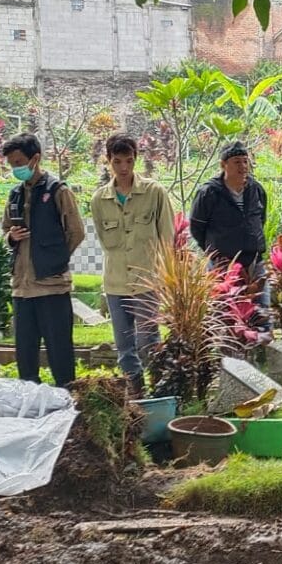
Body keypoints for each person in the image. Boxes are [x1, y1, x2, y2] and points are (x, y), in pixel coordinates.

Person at [90, 133, 174, 390]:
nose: (124, 168)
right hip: (116, 284)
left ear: (136, 159)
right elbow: (106, 242)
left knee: (148, 342)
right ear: (108, 161)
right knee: (125, 347)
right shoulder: (99, 200)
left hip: (147, 282)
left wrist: (167, 279)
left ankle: (159, 389)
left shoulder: (155, 192)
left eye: (128, 161)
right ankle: (136, 395)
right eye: (117, 161)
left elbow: (167, 239)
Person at [2, 133, 86, 388]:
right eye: (11, 164)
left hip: (51, 286)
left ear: (35, 159)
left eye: (19, 162)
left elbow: (76, 232)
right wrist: (11, 237)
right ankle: (30, 406)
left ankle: (67, 402)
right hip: (22, 289)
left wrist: (55, 259)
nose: (15, 168)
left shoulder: (58, 191)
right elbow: (5, 229)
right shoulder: (15, 194)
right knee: (25, 354)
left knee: (59, 352)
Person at [190, 140, 271, 327]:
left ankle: (260, 353)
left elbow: (260, 220)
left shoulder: (256, 190)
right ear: (223, 165)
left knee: (262, 314)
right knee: (224, 316)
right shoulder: (209, 193)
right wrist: (215, 250)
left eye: (245, 161)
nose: (243, 166)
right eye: (236, 162)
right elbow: (197, 228)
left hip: (254, 262)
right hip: (222, 265)